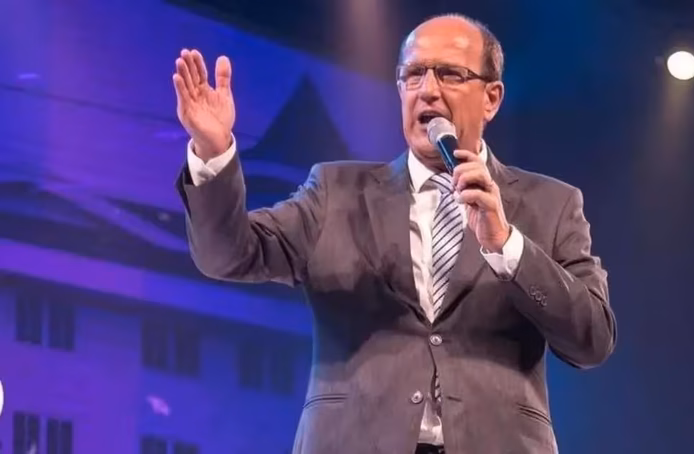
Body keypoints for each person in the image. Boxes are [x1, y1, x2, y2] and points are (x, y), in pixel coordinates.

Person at [172, 13, 616, 454]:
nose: (428, 90)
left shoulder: (550, 204)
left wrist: (507, 246)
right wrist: (213, 153)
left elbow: (592, 340)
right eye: (413, 74)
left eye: (450, 74)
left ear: (491, 98)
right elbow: (227, 255)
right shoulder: (335, 192)